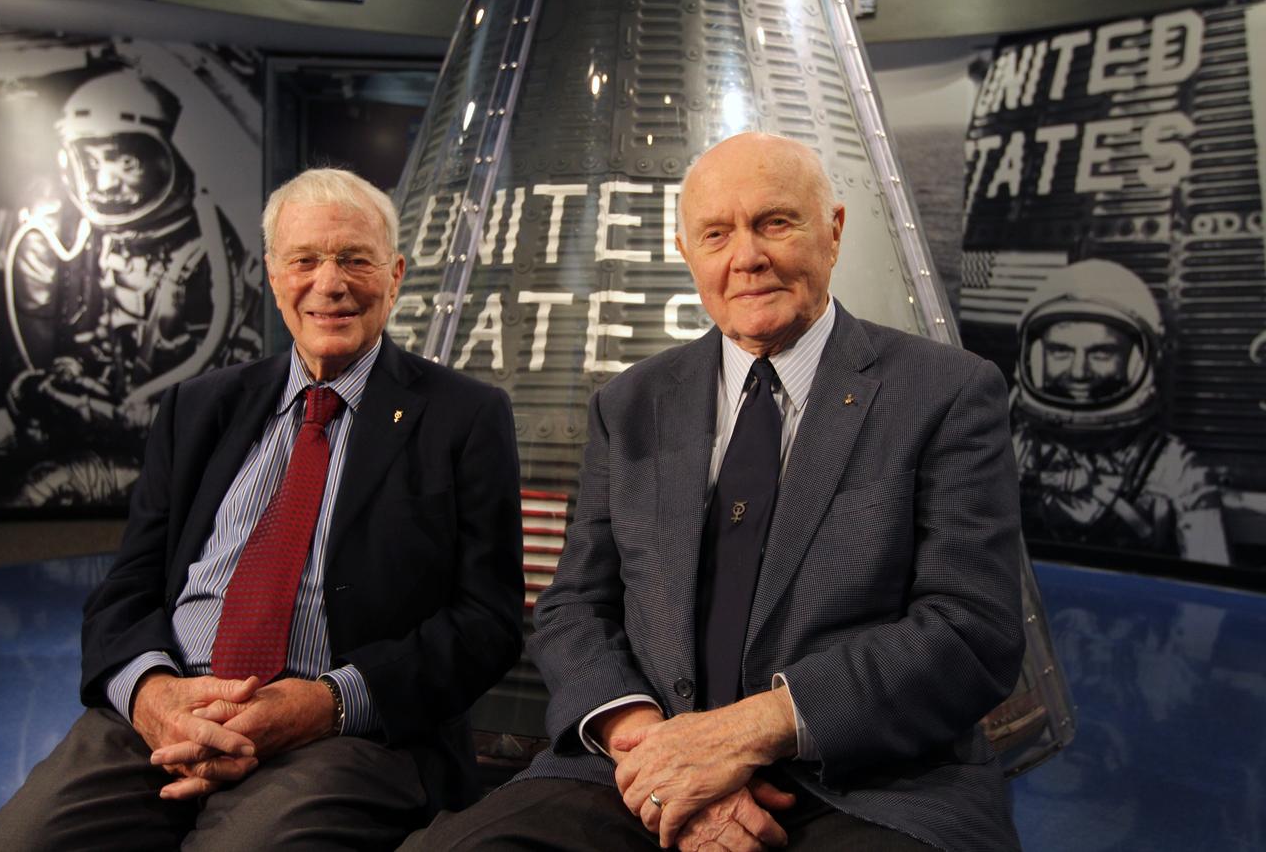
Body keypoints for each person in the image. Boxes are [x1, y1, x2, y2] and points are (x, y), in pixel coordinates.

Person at [407, 132, 1026, 851]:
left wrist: (744, 733)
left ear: (834, 229)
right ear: (687, 251)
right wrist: (657, 752)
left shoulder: (945, 392)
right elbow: (576, 606)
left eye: (775, 222)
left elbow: (969, 631)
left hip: (865, 781)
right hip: (640, 767)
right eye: (717, 233)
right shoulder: (631, 403)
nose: (747, 257)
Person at [0, 168, 524, 849]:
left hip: (346, 732)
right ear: (273, 275)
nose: (329, 282)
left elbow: (488, 622)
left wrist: (324, 703)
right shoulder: (199, 407)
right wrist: (153, 697)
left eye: (354, 259)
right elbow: (124, 592)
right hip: (168, 712)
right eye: (304, 259)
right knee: (25, 839)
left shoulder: (464, 417)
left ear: (394, 275)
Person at [0, 67, 262, 506]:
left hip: (173, 459)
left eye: (126, 163)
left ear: (169, 156)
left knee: (36, 494)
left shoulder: (218, 257)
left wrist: (117, 418)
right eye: (91, 163)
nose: (104, 183)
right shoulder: (86, 244)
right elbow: (85, 343)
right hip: (100, 425)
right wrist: (66, 381)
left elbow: (236, 401)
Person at [1010, 259, 1231, 565]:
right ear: (1036, 359)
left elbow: (1210, 589)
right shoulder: (1008, 451)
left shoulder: (1175, 471)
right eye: (1060, 351)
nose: (1079, 372)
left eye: (1102, 353)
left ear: (1136, 362)